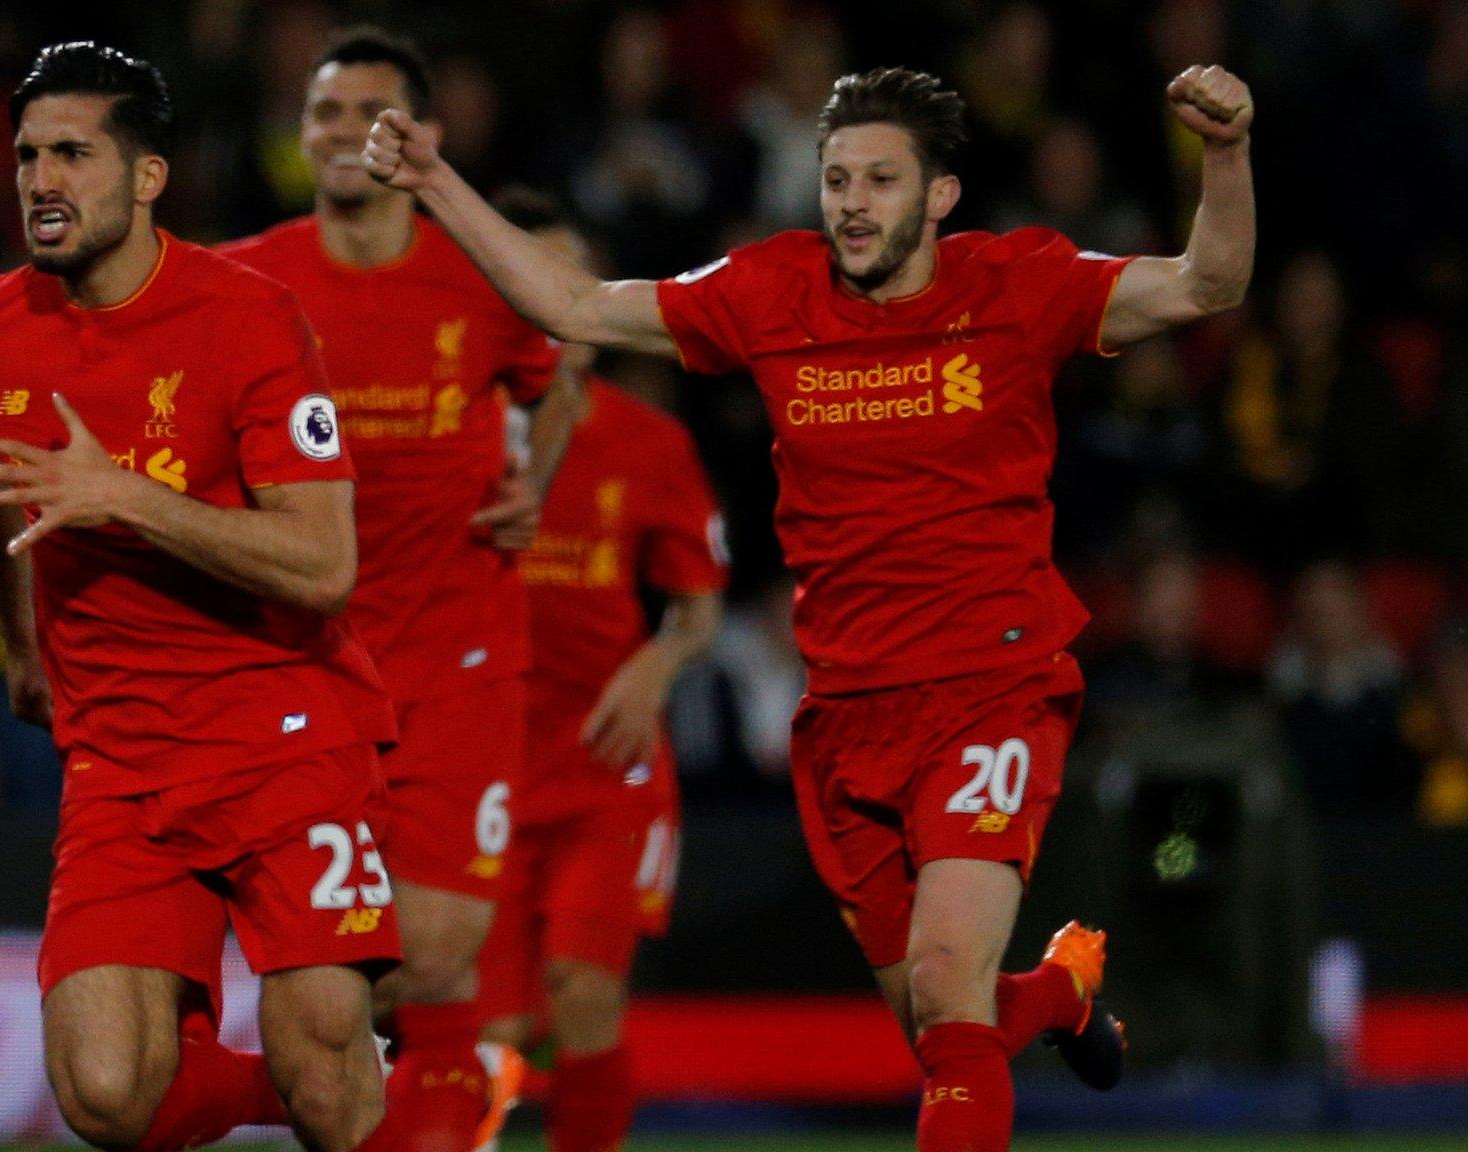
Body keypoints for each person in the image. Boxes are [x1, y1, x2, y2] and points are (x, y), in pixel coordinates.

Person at [367, 61, 1256, 1152]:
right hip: (842, 715)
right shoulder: (768, 293)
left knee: (940, 983)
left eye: (880, 180)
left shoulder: (1018, 287)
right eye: (836, 178)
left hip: (990, 682)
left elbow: (1204, 283)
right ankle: (1054, 999)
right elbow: (568, 304)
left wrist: (1222, 154)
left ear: (939, 197)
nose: (850, 202)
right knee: (943, 1024)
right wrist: (433, 179)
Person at [0, 43, 402, 1152]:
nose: (41, 180)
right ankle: (273, 1091)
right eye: (26, 156)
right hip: (122, 753)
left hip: (283, 733)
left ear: (147, 176)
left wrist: (126, 499)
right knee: (105, 1093)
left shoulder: (250, 319)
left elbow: (322, 564)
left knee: (328, 1064)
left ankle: (352, 1084)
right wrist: (20, 644)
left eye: (72, 154)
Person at [221, 28, 583, 1152]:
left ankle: (444, 1093)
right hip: (307, 674)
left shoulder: (478, 274)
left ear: (419, 136)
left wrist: (535, 479)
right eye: (323, 110)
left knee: (428, 958)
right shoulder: (247, 280)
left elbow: (561, 365)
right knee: (344, 989)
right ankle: (449, 1092)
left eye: (368, 110)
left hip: (460, 659)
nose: (340, 130)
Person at [471, 191, 728, 1152]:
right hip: (485, 771)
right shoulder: (460, 435)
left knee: (583, 993)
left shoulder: (651, 443)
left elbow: (699, 608)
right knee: (489, 1034)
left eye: (567, 279)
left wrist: (657, 665)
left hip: (604, 768)